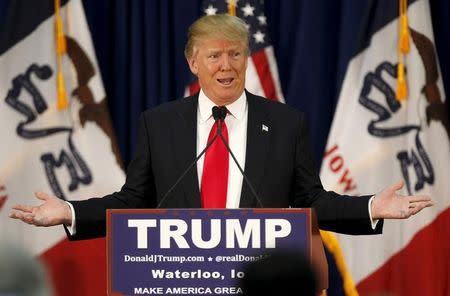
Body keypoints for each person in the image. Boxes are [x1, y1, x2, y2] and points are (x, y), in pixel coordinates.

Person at [9, 14, 432, 240]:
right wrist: (68, 212)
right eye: (214, 56)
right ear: (193, 63)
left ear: (247, 60)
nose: (226, 66)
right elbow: (133, 201)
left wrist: (371, 207)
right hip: (181, 280)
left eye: (235, 54)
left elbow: (311, 202)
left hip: (261, 281)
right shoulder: (160, 124)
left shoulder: (284, 123)